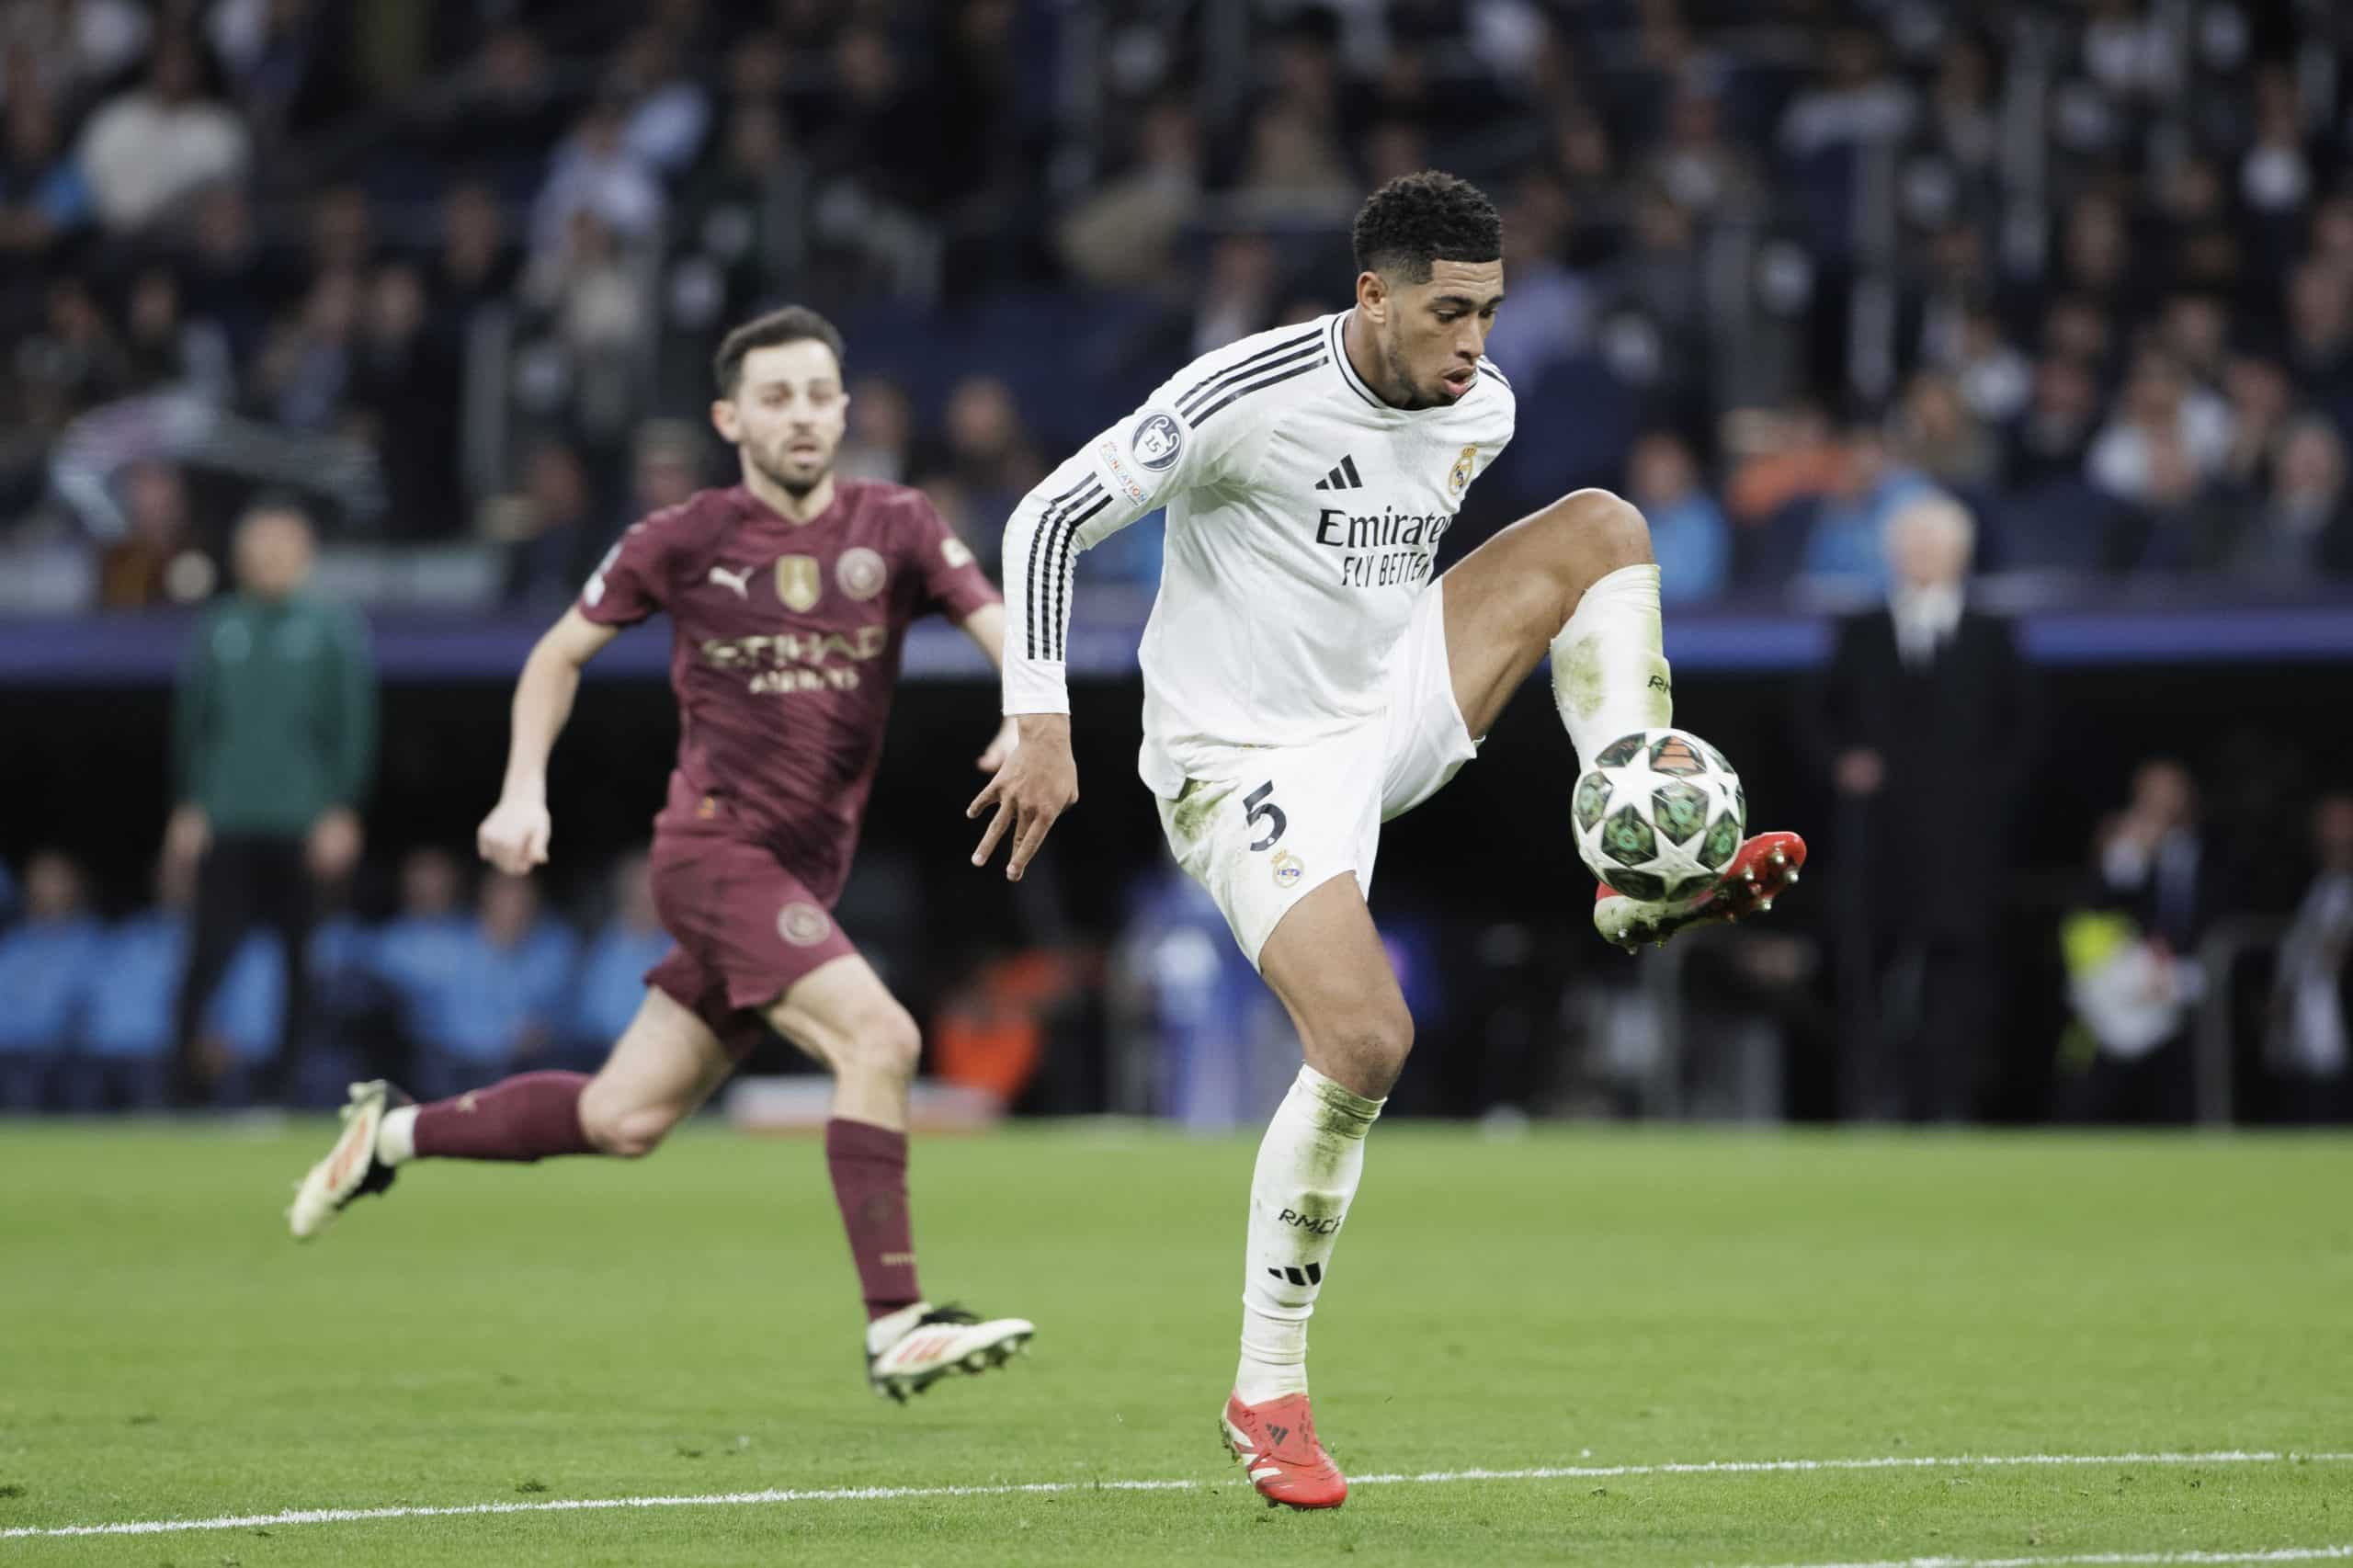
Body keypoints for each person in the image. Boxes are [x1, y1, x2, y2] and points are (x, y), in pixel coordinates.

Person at [969, 172, 1802, 1509]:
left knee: (1603, 528)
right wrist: (1042, 717)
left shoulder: (1481, 406)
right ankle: (1268, 1386)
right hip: (1243, 757)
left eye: (1491, 312)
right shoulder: (1242, 397)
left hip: (1387, 708)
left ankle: (1636, 848)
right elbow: (1047, 518)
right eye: (1449, 311)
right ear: (1374, 296)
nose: (1476, 343)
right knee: (1366, 1041)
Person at [287, 306, 1034, 1402]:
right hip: (714, 852)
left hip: (797, 874)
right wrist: (521, 788)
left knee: (621, 1117)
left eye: (820, 394)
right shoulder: (681, 537)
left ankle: (389, 1131)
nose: (803, 416)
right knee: (881, 1035)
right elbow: (557, 653)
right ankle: (898, 1325)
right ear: (731, 417)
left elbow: (1002, 625)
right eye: (776, 398)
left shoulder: (900, 524)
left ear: (844, 407)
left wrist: (1028, 715)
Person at [1800, 494, 2037, 1120]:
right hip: (1876, 848)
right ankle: (1866, 1107)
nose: (1922, 557)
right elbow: (1814, 720)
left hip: (1961, 850)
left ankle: (1946, 1107)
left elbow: (2023, 733)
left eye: (1934, 546)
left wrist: (1985, 799)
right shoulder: (1860, 631)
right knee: (1865, 986)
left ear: (1961, 554)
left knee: (1956, 986)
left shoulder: (1993, 636)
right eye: (1911, 546)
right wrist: (1841, 763)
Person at [167, 500, 375, 1105]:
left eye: (280, 549)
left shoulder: (332, 627)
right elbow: (194, 727)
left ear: (305, 555)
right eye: (256, 550)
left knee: (299, 962)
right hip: (227, 817)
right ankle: (184, 1089)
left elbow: (351, 725)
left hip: (302, 821)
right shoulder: (220, 625)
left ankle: (284, 1091)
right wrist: (189, 804)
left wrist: (341, 807)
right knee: (206, 954)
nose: (267, 562)